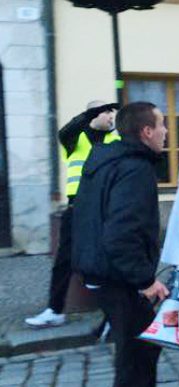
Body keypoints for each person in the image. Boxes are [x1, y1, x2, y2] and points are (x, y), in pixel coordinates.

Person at [71, 101, 169, 387]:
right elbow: (120, 233)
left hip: (103, 273)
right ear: (146, 132)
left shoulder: (105, 161)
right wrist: (145, 281)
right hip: (120, 277)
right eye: (161, 126)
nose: (165, 133)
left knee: (147, 348)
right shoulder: (134, 169)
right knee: (134, 358)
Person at [26, 101, 120, 329]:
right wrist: (88, 113)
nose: (111, 115)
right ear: (94, 114)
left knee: (109, 261)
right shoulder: (74, 139)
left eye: (111, 111)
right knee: (64, 260)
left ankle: (115, 314)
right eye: (106, 111)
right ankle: (55, 310)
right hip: (76, 208)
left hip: (105, 208)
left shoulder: (116, 140)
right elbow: (64, 131)